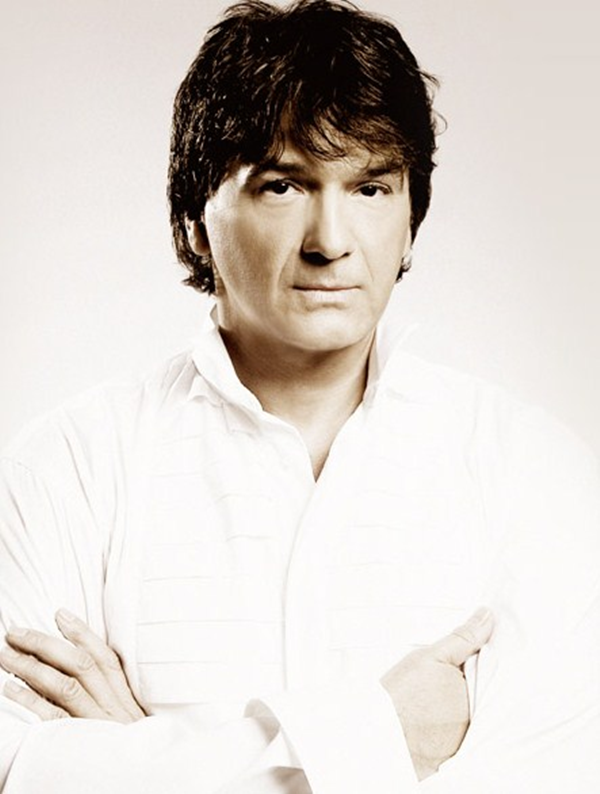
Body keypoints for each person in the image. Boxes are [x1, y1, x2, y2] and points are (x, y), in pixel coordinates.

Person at [0, 0, 598, 792]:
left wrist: (140, 757)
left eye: (371, 188)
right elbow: (16, 770)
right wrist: (378, 741)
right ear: (194, 222)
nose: (331, 241)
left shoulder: (533, 470)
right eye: (283, 186)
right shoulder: (65, 470)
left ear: (412, 218)